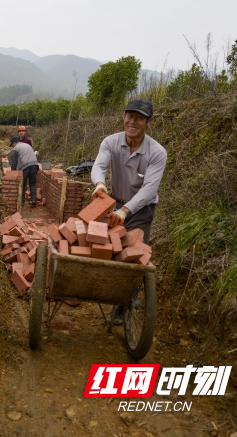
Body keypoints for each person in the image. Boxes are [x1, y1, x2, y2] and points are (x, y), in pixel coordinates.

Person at [90, 98, 167, 324]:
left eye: (140, 118)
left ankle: (124, 306)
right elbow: (100, 166)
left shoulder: (157, 152)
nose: (133, 122)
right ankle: (110, 291)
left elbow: (150, 188)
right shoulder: (111, 142)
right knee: (111, 249)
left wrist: (125, 211)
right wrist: (100, 185)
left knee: (133, 256)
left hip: (142, 209)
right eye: (130, 116)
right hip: (116, 203)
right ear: (124, 117)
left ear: (149, 122)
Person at [9, 138, 39, 206]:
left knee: (23, 184)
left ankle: (21, 201)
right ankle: (33, 200)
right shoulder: (27, 145)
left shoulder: (15, 148)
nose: (12, 147)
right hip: (35, 165)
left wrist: (13, 172)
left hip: (25, 167)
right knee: (32, 183)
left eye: (12, 145)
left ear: (14, 143)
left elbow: (13, 162)